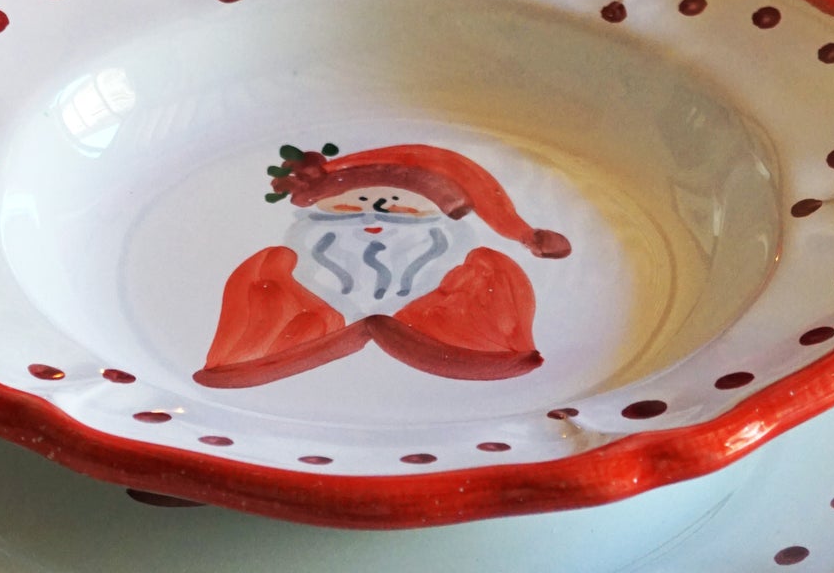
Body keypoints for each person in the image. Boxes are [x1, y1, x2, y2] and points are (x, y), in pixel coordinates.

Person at [194, 141, 569, 389]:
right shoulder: (281, 260)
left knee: (488, 271)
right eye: (352, 201)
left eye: (396, 202)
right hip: (308, 321)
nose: (374, 211)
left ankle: (479, 351)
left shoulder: (474, 263)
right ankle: (250, 361)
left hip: (446, 324)